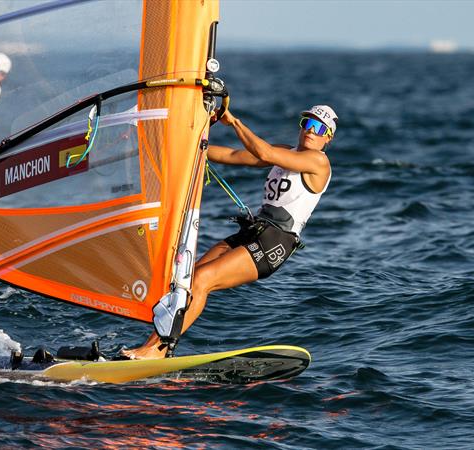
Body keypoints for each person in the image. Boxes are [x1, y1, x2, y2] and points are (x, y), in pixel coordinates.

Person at [121, 104, 338, 359]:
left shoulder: (318, 161)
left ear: (328, 137)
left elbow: (264, 153)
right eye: (307, 123)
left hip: (275, 243)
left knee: (203, 280)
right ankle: (150, 348)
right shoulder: (285, 152)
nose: (311, 131)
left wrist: (233, 121)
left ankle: (158, 350)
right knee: (186, 281)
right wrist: (191, 148)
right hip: (254, 230)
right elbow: (235, 155)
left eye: (319, 128)